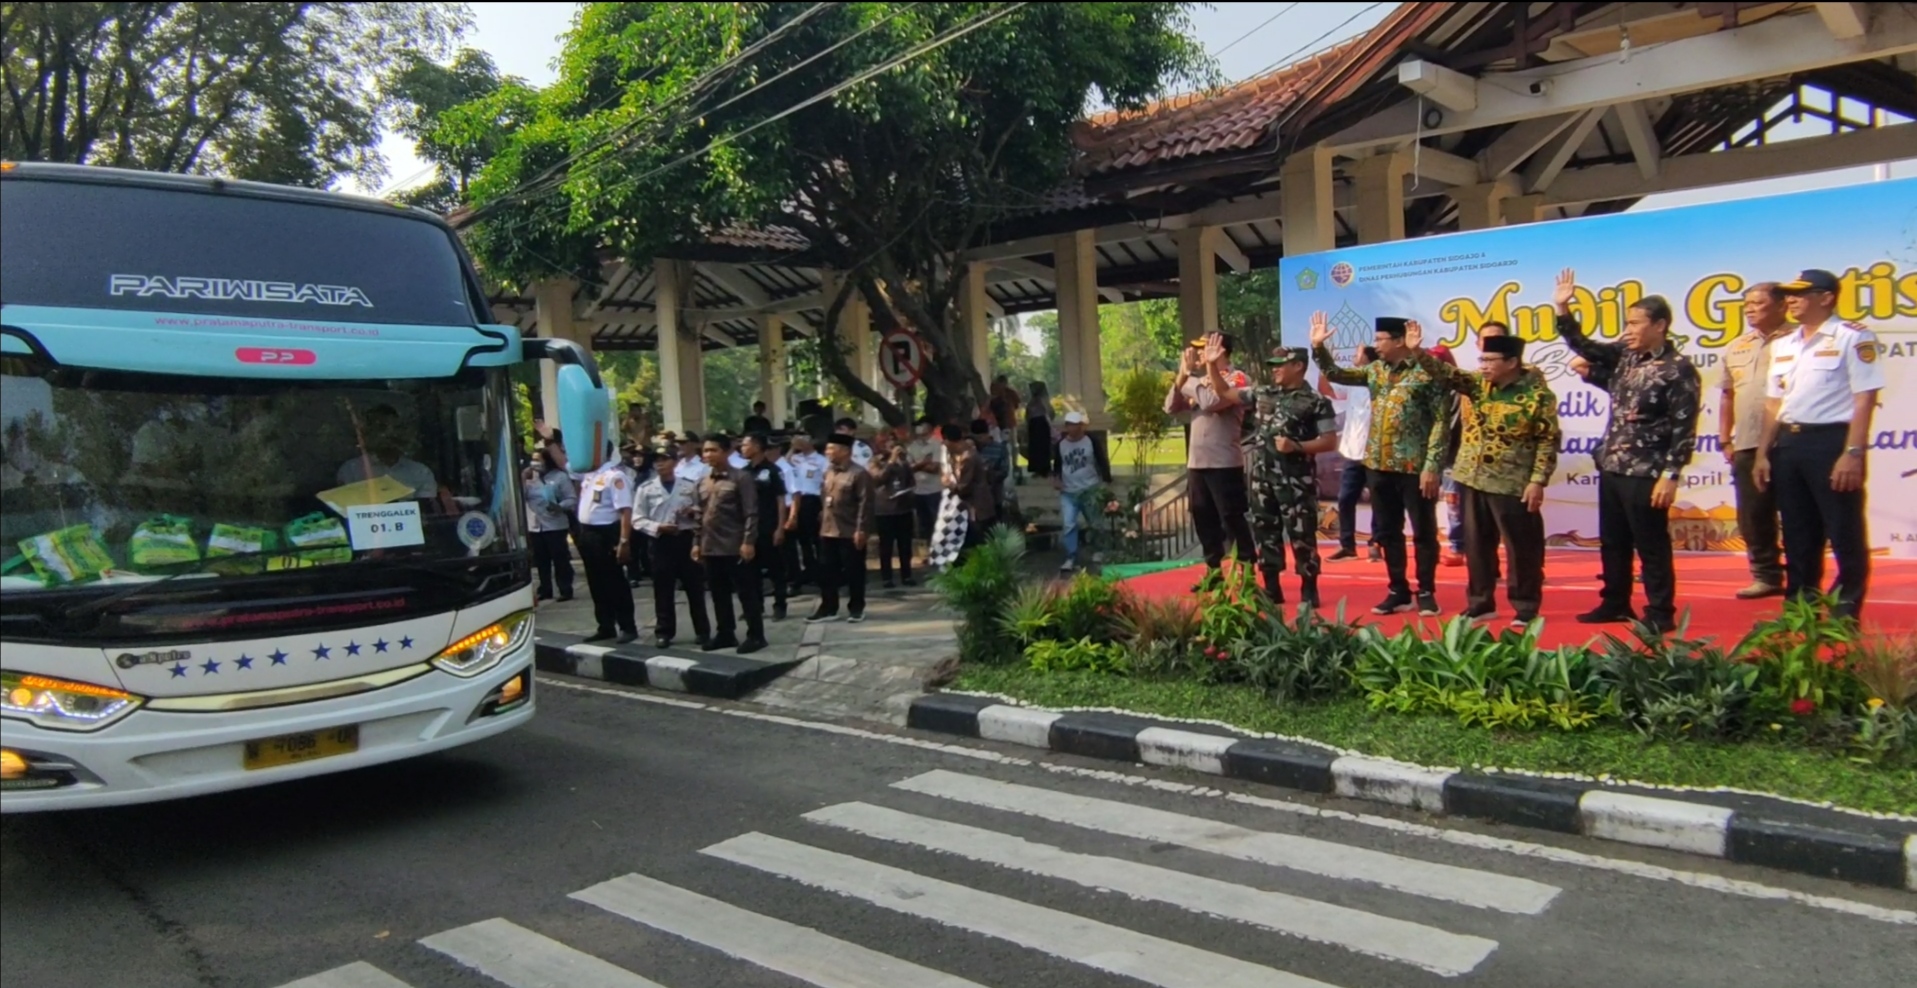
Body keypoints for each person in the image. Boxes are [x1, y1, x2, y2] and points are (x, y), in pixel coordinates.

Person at [1552, 269, 1701, 634]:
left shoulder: (1678, 370)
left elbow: (1684, 428)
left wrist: (1671, 475)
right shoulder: (1626, 357)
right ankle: (1615, 602)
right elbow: (1586, 349)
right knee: (1614, 540)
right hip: (1613, 464)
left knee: (1650, 544)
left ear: (1660, 325)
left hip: (1648, 470)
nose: (1629, 329)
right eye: (1627, 322)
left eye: (1636, 323)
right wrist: (1562, 308)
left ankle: (1660, 611)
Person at [1405, 324, 1561, 627]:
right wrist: (1416, 351)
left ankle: (1525, 606)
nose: (1483, 365)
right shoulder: (1477, 384)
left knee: (1521, 549)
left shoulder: (1537, 396)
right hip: (1472, 478)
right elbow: (1445, 373)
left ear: (1512, 362)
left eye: (1490, 360)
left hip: (1512, 482)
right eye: (1481, 360)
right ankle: (1480, 603)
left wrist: (1537, 480)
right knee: (1476, 546)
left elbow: (1548, 440)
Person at [1754, 268, 1884, 621]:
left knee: (1843, 529)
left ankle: (1845, 609)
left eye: (1800, 294)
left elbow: (1864, 397)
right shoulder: (1784, 344)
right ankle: (1800, 607)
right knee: (1797, 532)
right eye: (1788, 295)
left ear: (1826, 297)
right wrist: (1763, 453)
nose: (1790, 300)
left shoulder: (1851, 337)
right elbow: (1773, 403)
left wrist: (1853, 452)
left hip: (1831, 442)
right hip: (1789, 443)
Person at [1311, 315, 1447, 616]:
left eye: (1380, 340)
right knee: (1388, 530)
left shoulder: (1425, 373)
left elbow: (1440, 422)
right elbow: (1337, 373)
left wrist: (1432, 465)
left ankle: (1426, 590)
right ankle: (1398, 590)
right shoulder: (1374, 371)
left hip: (1415, 467)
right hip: (1378, 464)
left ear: (1399, 340)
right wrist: (1318, 347)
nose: (1375, 346)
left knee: (1423, 531)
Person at [1164, 331, 1257, 587]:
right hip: (1197, 463)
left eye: (1205, 348)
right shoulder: (1200, 380)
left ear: (1222, 350)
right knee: (1202, 516)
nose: (1200, 353)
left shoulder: (1236, 378)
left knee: (1232, 517)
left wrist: (1188, 378)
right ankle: (1214, 571)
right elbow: (1170, 406)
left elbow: (1210, 401)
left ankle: (1247, 569)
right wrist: (1183, 375)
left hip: (1224, 463)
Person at [1250, 348, 1339, 606]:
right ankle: (1271, 588)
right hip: (1262, 478)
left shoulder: (1316, 401)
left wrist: (1295, 446)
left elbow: (1329, 441)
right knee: (1265, 531)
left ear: (1298, 366)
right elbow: (1226, 394)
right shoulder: (1264, 393)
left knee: (1302, 535)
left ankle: (1309, 589)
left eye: (1281, 364)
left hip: (1297, 481)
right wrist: (1211, 365)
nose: (1274, 369)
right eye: (1273, 364)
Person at [1719, 282, 1791, 599]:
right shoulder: (1737, 346)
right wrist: (1724, 438)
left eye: (1758, 303)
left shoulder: (1800, 339)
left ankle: (1804, 577)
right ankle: (1766, 575)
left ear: (1781, 305)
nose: (1749, 309)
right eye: (1746, 303)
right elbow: (1726, 394)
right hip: (1746, 441)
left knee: (1798, 512)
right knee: (1752, 514)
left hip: (1790, 439)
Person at [691, 436, 766, 654]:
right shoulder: (702, 481)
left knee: (746, 592)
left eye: (713, 450)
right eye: (705, 451)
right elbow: (699, 516)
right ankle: (726, 633)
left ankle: (756, 635)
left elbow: (751, 512)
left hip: (735, 545)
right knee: (718, 592)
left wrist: (748, 541)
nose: (708, 455)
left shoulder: (740, 478)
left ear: (726, 452)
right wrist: (696, 543)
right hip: (710, 545)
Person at [632, 454, 711, 648]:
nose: (660, 464)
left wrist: (692, 513)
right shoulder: (646, 489)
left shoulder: (688, 486)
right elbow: (637, 519)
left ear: (675, 463)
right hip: (661, 542)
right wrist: (658, 527)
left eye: (665, 460)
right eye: (657, 460)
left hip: (685, 539)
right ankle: (664, 631)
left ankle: (703, 630)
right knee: (663, 589)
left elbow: (701, 511)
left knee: (695, 588)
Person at [574, 440, 638, 644]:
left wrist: (624, 541)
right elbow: (564, 465)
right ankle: (605, 625)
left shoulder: (615, 476)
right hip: (588, 533)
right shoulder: (590, 474)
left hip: (607, 533)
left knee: (615, 582)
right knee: (596, 582)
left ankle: (627, 626)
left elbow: (625, 510)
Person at [1322, 345, 1380, 562]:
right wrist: (1325, 365)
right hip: (1352, 451)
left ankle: (1376, 543)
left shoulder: (1380, 383)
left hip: (1375, 452)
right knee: (1345, 499)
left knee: (1378, 501)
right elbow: (1327, 389)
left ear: (1368, 359)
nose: (1354, 357)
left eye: (1358, 353)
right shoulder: (1352, 383)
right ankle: (1347, 546)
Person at [810, 434, 876, 623]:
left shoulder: (859, 473)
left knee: (854, 571)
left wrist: (861, 529)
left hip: (850, 530)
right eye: (827, 449)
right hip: (828, 529)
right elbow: (824, 496)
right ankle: (828, 607)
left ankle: (856, 608)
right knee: (826, 571)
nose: (828, 453)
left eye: (832, 449)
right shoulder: (829, 472)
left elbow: (865, 503)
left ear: (845, 451)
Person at [741, 434, 795, 621]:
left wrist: (780, 527)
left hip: (769, 526)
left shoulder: (773, 470)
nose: (742, 448)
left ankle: (780, 605)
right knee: (750, 570)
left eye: (746, 445)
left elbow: (780, 500)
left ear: (757, 446)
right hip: (749, 528)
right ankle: (756, 607)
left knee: (776, 569)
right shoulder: (744, 471)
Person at [1052, 410, 1110, 574]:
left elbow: (1101, 460)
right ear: (1067, 427)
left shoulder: (1091, 441)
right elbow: (1057, 464)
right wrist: (1056, 479)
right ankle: (1071, 556)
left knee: (1095, 522)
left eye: (1078, 425)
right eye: (1072, 425)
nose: (1075, 429)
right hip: (1069, 491)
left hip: (1089, 489)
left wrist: (1106, 480)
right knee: (1069, 523)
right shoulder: (1061, 445)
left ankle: (1100, 550)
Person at [522, 443, 576, 603]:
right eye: (534, 460)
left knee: (560, 559)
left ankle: (565, 588)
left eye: (539, 460)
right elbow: (520, 497)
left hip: (555, 524)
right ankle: (545, 588)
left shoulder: (560, 477)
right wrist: (523, 479)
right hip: (535, 525)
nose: (536, 464)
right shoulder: (530, 478)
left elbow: (571, 499)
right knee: (541, 560)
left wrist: (559, 507)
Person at [869, 433, 917, 587]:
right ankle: (887, 577)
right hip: (885, 509)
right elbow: (879, 478)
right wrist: (890, 461)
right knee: (886, 546)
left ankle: (907, 575)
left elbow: (910, 479)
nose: (892, 447)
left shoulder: (903, 462)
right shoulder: (875, 462)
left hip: (903, 508)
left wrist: (909, 491)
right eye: (888, 445)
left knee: (905, 545)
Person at [784, 435, 828, 592]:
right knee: (801, 540)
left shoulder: (821, 460)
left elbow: (824, 484)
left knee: (814, 539)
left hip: (812, 499)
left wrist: (824, 508)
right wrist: (793, 447)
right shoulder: (795, 458)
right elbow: (784, 464)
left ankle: (820, 572)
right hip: (796, 500)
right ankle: (807, 571)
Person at [906, 416, 946, 558]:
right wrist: (923, 463)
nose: (918, 428)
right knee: (923, 524)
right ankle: (928, 552)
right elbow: (907, 467)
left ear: (929, 427)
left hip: (935, 489)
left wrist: (917, 465)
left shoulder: (937, 445)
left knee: (937, 521)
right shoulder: (912, 446)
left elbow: (935, 467)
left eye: (921, 425)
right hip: (918, 490)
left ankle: (940, 550)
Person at [1025, 382, 1054, 478]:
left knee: (1043, 447)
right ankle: (1036, 468)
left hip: (1041, 424)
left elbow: (1050, 412)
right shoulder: (1032, 401)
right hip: (1033, 425)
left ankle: (1045, 469)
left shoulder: (1043, 400)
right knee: (1035, 448)